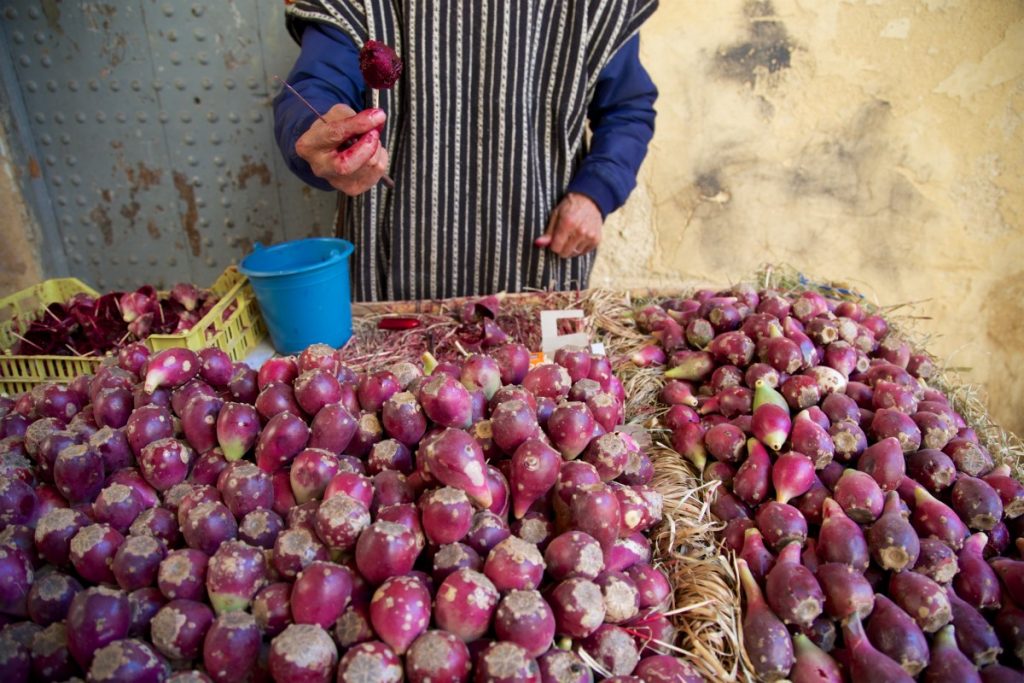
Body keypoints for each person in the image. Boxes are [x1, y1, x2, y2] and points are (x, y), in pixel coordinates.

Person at [274, 1, 659, 302]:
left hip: (537, 259)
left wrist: (594, 195)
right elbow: (318, 85)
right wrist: (322, 130)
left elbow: (627, 109)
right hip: (396, 263)